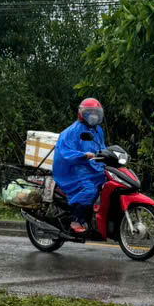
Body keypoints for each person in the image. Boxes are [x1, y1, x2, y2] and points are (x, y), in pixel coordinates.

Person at [52, 98, 106, 235]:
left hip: (92, 168)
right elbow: (65, 152)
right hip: (73, 170)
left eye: (96, 112)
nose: (93, 115)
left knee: (109, 184)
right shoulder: (71, 131)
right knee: (89, 190)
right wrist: (82, 155)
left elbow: (102, 147)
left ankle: (97, 218)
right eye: (90, 112)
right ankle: (75, 220)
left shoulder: (98, 130)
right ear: (82, 113)